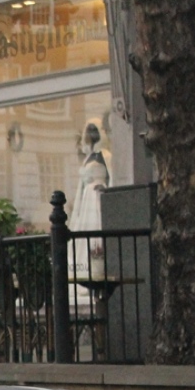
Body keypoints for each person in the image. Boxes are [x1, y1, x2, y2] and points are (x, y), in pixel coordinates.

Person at [69, 119, 111, 280]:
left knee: (96, 231)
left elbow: (112, 177)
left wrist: (106, 189)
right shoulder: (88, 157)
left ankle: (97, 267)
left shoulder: (105, 155)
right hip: (88, 199)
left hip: (97, 197)